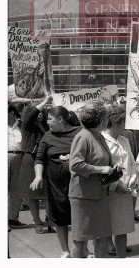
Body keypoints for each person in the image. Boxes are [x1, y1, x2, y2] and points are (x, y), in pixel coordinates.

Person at [68, 100, 120, 258]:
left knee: (102, 236)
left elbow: (105, 161)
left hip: (100, 194)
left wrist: (114, 169)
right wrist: (101, 169)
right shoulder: (83, 137)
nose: (108, 120)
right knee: (80, 238)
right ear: (101, 119)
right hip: (83, 196)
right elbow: (75, 164)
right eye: (106, 116)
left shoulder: (99, 136)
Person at [31, 106, 81, 257]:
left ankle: (81, 248)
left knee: (79, 213)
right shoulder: (47, 136)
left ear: (60, 119)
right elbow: (39, 159)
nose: (47, 122)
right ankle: (65, 250)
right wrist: (38, 176)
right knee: (59, 215)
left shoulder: (80, 132)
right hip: (55, 180)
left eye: (50, 119)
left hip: (77, 178)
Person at [102, 104, 139, 258]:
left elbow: (132, 163)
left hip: (126, 190)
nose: (126, 126)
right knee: (105, 227)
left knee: (123, 229)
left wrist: (135, 177)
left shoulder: (125, 140)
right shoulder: (101, 140)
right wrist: (115, 185)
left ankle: (122, 258)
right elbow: (102, 168)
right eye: (124, 122)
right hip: (108, 191)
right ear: (115, 122)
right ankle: (108, 246)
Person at [21, 96, 51, 234]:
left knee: (48, 193)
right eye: (37, 111)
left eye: (42, 111)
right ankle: (37, 222)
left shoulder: (47, 125)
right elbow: (32, 114)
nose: (39, 113)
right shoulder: (27, 126)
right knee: (32, 194)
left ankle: (51, 221)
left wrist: (42, 124)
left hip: (45, 161)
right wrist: (44, 101)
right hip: (30, 160)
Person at [8, 104, 26, 228]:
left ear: (13, 113)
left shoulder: (23, 125)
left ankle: (12, 218)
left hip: (19, 156)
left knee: (16, 189)